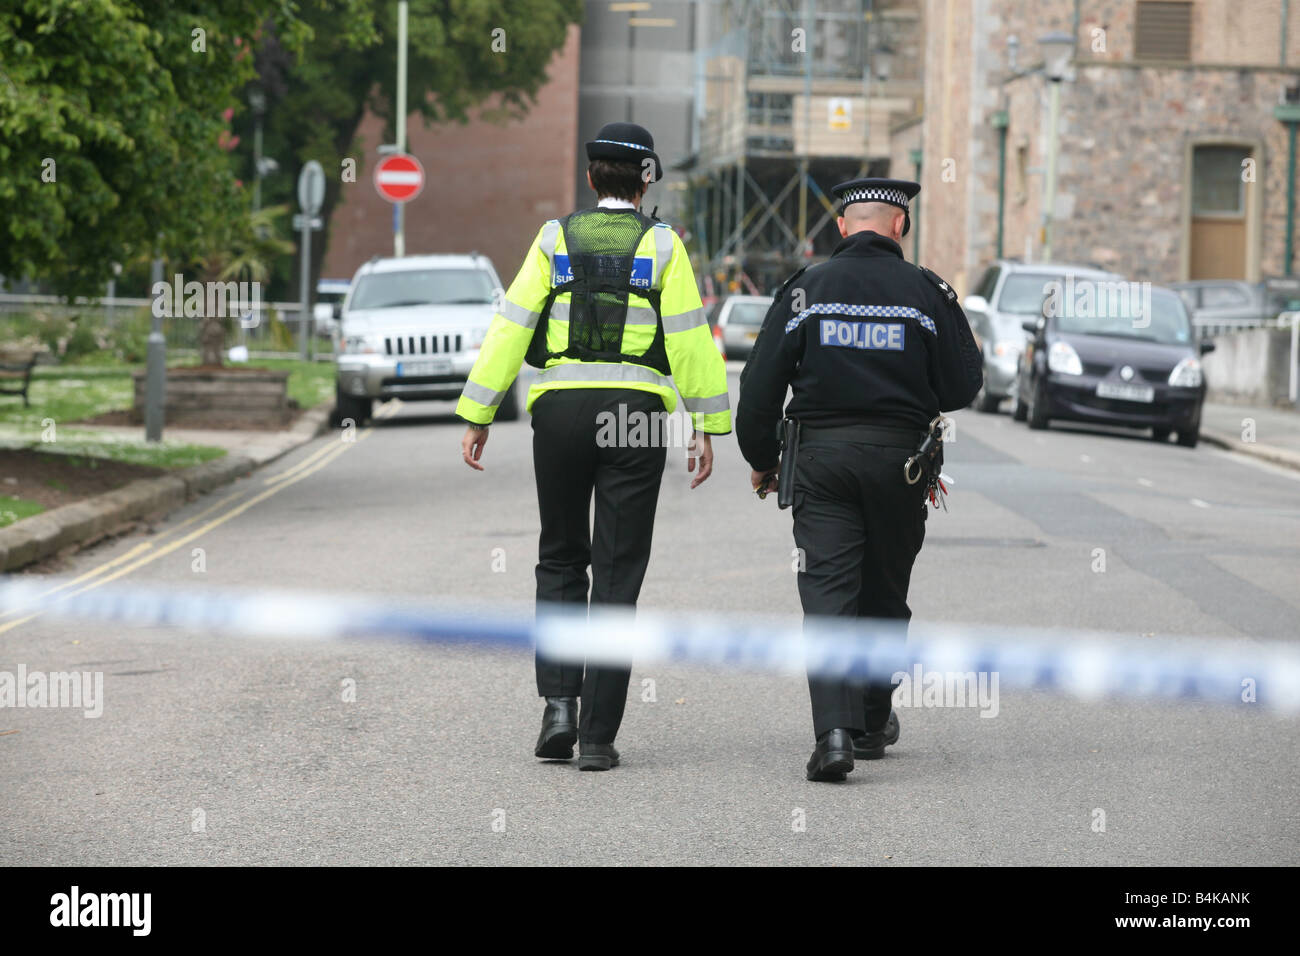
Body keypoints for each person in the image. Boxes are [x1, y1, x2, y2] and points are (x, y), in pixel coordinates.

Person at [456, 122, 731, 771]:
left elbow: (513, 323)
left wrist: (479, 411)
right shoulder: (663, 244)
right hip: (632, 415)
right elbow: (690, 339)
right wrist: (707, 425)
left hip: (559, 413)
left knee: (559, 558)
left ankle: (558, 706)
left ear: (589, 179)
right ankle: (598, 739)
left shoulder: (554, 238)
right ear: (646, 181)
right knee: (616, 572)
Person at [736, 177, 982, 782]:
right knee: (883, 590)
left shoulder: (806, 290)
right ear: (900, 225)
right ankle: (872, 720)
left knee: (827, 593)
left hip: (821, 463)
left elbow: (760, 385)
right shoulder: (927, 294)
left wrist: (762, 457)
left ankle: (835, 735)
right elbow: (961, 387)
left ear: (843, 227)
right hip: (903, 465)